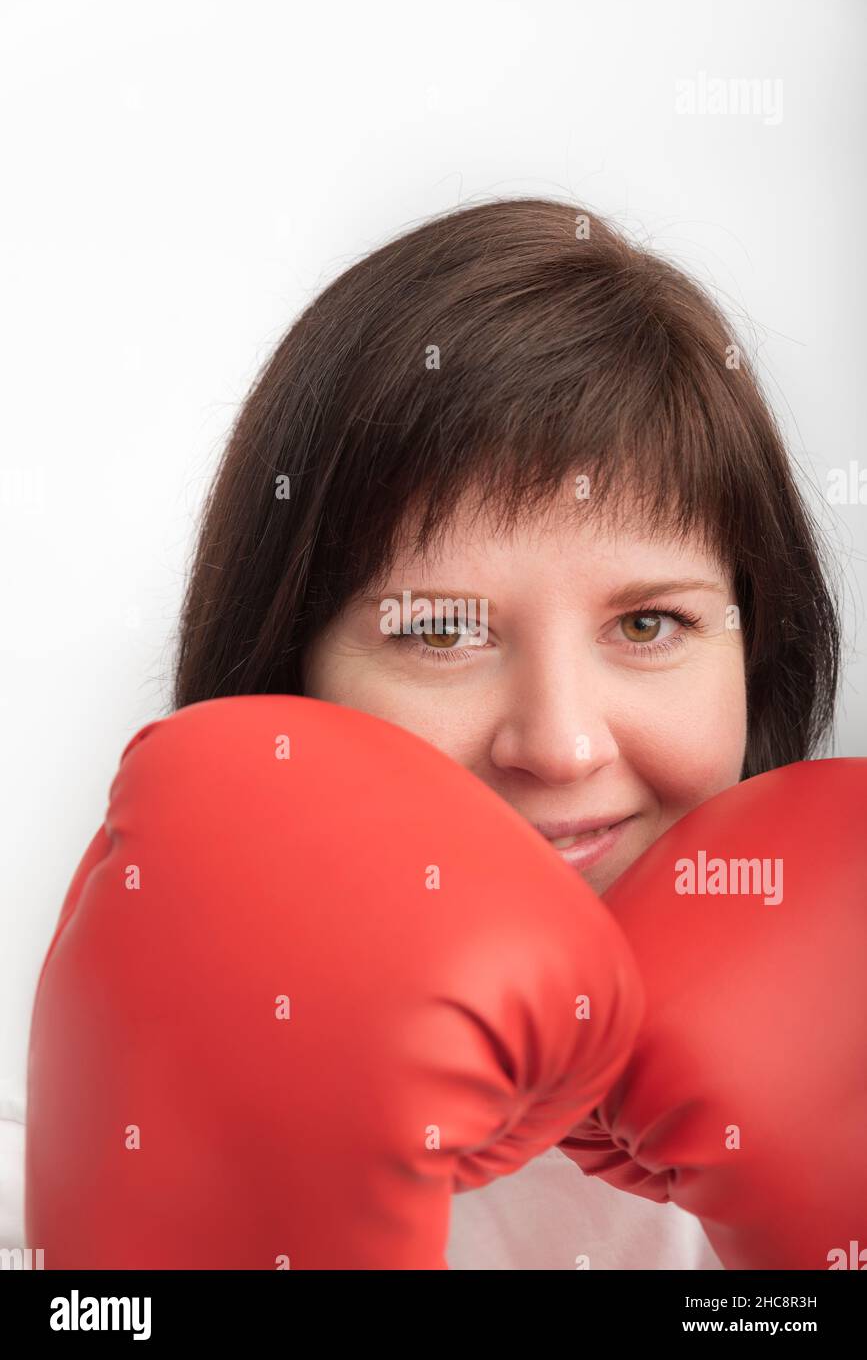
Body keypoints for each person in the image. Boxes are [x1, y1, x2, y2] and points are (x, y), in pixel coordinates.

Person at [168, 197, 840, 1269]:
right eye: (440, 631)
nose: (563, 745)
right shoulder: (70, 1160)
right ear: (282, 676)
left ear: (757, 658)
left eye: (648, 622)